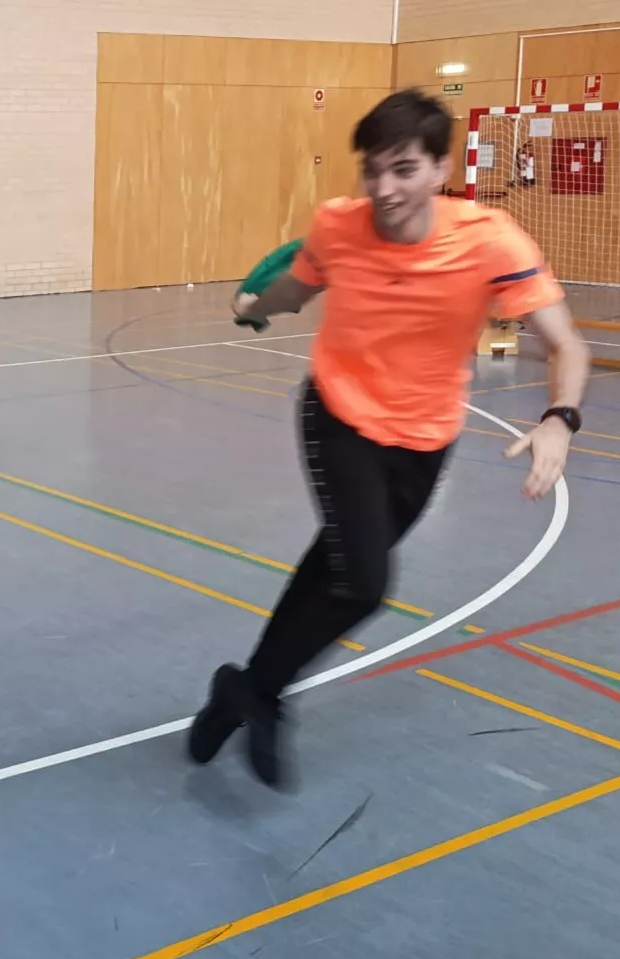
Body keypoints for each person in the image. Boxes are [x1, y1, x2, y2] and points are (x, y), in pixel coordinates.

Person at [186, 89, 589, 788]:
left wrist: (560, 417)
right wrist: (253, 305)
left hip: (426, 437)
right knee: (366, 582)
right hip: (339, 413)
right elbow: (300, 286)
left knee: (332, 570)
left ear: (440, 168)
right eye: (372, 170)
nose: (384, 188)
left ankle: (248, 688)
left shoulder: (490, 238)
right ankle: (261, 694)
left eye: (403, 169)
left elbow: (566, 343)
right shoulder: (340, 225)